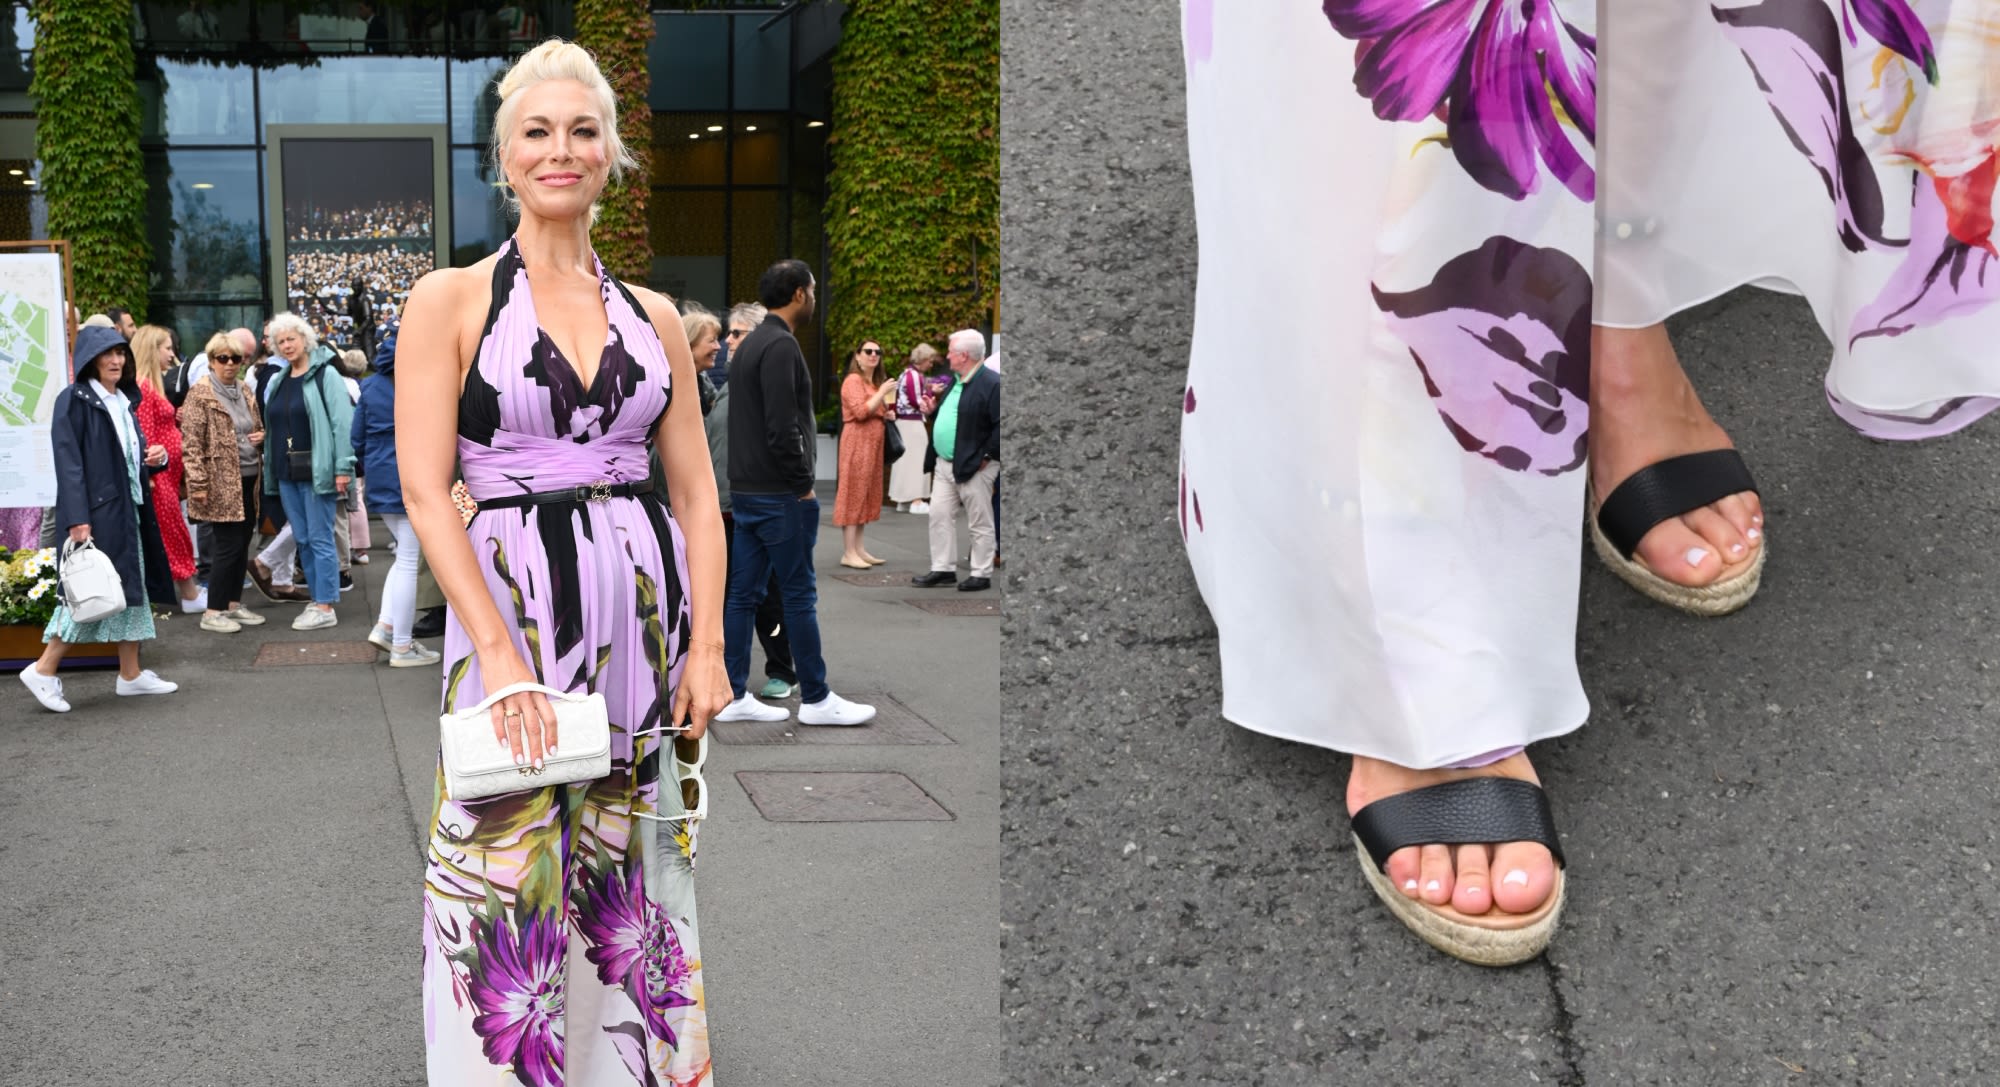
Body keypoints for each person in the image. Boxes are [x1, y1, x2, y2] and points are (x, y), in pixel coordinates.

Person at [394, 39, 728, 1084]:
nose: (560, 149)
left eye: (582, 130)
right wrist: (494, 650)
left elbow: (694, 495)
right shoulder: (446, 301)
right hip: (514, 625)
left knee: (631, 875)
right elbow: (419, 488)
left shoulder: (656, 319)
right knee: (507, 876)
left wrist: (709, 644)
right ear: (506, 156)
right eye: (536, 131)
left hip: (644, 627)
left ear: (611, 154)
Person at [716, 258, 877, 727]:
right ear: (800, 294)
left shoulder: (747, 346)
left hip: (747, 492)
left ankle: (733, 692)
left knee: (742, 596)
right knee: (798, 595)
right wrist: (802, 484)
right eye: (813, 290)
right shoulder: (780, 346)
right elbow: (783, 426)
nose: (814, 298)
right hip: (777, 494)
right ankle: (816, 698)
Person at [18, 325, 179, 713]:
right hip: (100, 515)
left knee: (130, 591)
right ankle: (43, 668)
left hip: (127, 511)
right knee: (91, 592)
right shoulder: (74, 399)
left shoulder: (122, 400)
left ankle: (130, 673)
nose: (115, 360)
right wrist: (77, 517)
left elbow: (122, 458)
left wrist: (155, 459)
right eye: (107, 354)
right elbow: (69, 462)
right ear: (90, 359)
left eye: (120, 354)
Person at [696, 303, 798, 701]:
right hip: (726, 504)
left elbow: (787, 435)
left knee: (766, 594)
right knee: (734, 595)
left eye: (737, 333)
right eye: (727, 334)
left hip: (757, 503)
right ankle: (730, 674)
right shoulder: (730, 381)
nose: (727, 341)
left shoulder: (767, 376)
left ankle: (782, 669)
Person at [260, 311, 353, 630]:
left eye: (291, 339)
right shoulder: (277, 380)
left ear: (305, 339)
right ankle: (317, 600)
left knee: (319, 537)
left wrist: (343, 468)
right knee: (302, 538)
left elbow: (343, 425)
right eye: (280, 340)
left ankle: (325, 605)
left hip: (319, 470)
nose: (286, 345)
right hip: (286, 471)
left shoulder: (326, 375)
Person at [351, 329, 433, 666]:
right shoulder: (426, 385)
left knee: (404, 559)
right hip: (413, 474)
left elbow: (357, 438)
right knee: (409, 561)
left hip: (381, 476)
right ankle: (401, 644)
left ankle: (387, 628)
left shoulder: (369, 386)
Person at [179, 331, 267, 633]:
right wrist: (199, 485)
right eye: (223, 358)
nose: (230, 364)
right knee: (227, 546)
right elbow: (191, 444)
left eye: (236, 359)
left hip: (249, 478)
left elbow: (254, 427)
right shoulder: (200, 394)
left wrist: (261, 437)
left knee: (243, 543)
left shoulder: (243, 390)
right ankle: (213, 610)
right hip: (219, 481)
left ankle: (232, 604)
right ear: (212, 361)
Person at [911, 329, 1000, 592]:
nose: (946, 356)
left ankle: (981, 573)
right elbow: (954, 414)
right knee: (938, 515)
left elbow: (1001, 425)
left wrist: (987, 456)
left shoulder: (992, 383)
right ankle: (943, 569)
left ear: (963, 356)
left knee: (979, 520)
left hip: (975, 465)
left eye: (950, 351)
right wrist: (932, 411)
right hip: (945, 463)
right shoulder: (956, 380)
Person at [129, 324, 205, 614]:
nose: (172, 355)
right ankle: (189, 593)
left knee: (172, 531)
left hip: (165, 475)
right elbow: (145, 435)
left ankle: (188, 593)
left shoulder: (148, 385)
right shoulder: (143, 387)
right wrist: (149, 477)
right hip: (158, 477)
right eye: (167, 348)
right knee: (172, 532)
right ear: (152, 349)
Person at [833, 339, 894, 568]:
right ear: (857, 356)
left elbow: (874, 409)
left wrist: (886, 414)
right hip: (857, 443)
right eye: (868, 351)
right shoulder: (852, 380)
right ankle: (849, 551)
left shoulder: (873, 382)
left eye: (878, 351)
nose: (873, 355)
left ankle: (858, 548)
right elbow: (860, 412)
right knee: (853, 492)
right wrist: (882, 394)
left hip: (872, 444)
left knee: (866, 493)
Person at [890, 343, 938, 513]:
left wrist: (930, 390)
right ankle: (917, 501)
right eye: (930, 361)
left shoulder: (906, 374)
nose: (931, 364)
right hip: (912, 422)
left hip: (903, 422)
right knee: (919, 460)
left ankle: (903, 501)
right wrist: (932, 400)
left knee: (905, 462)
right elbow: (916, 400)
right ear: (923, 359)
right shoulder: (914, 376)